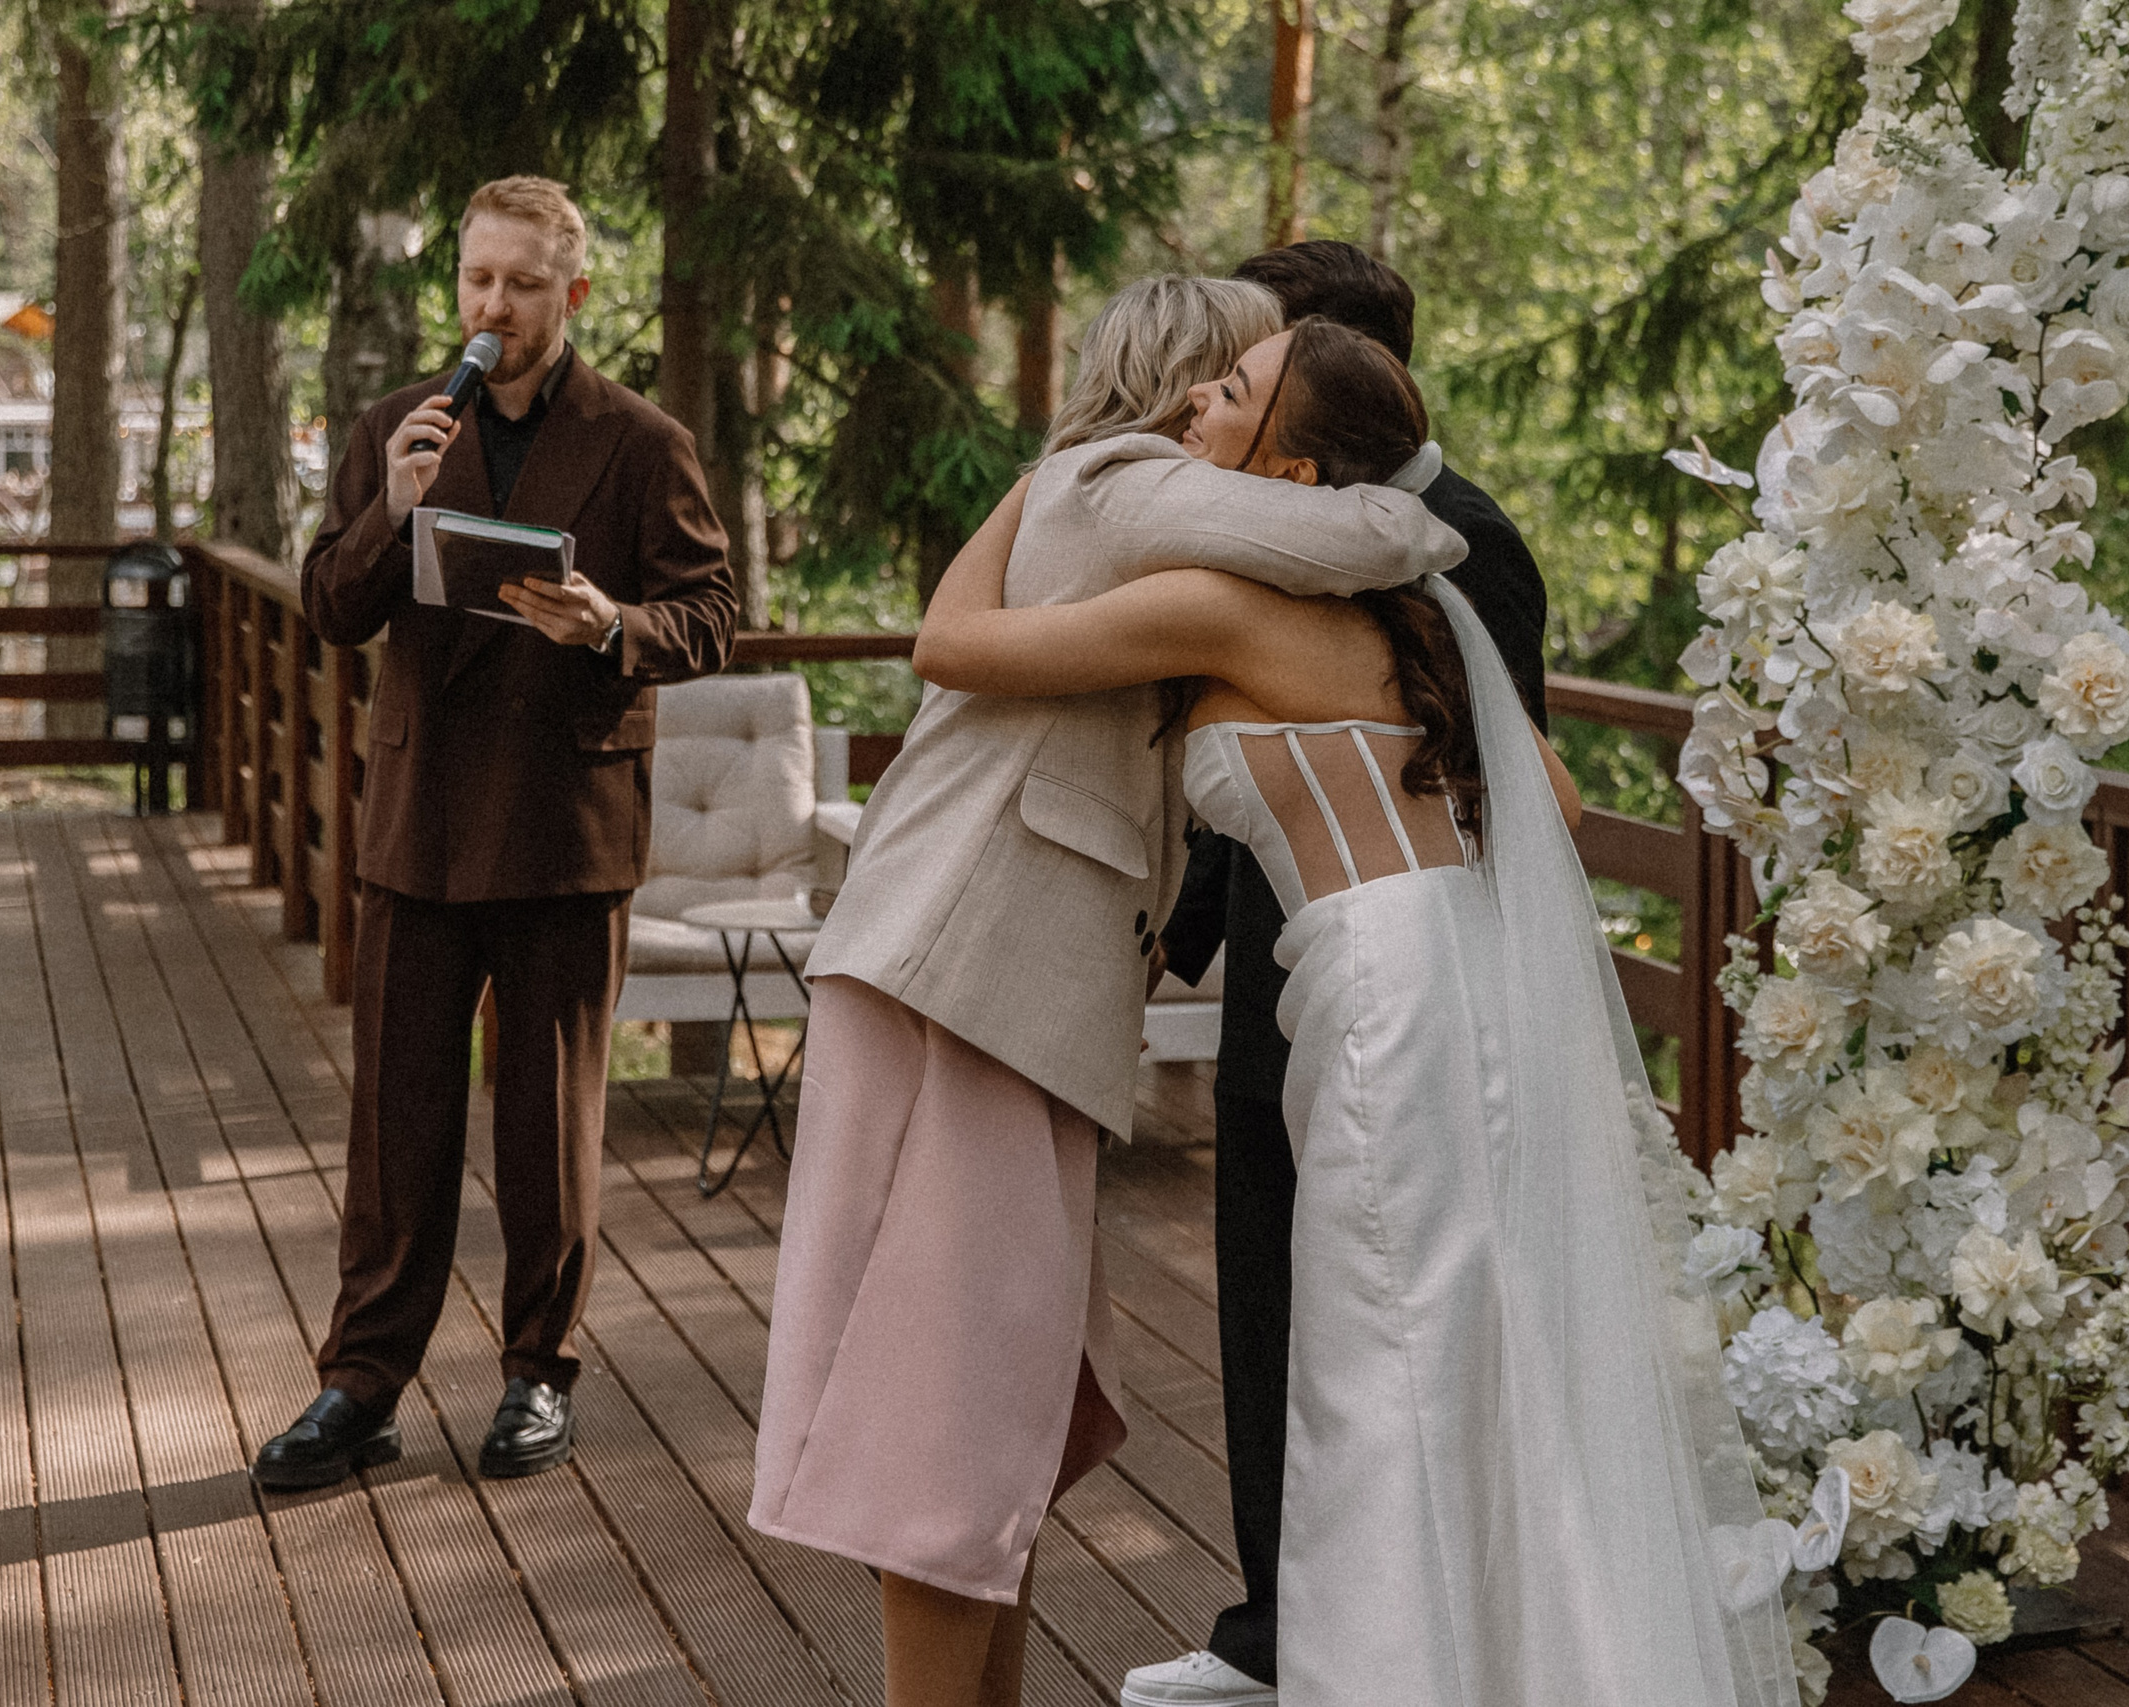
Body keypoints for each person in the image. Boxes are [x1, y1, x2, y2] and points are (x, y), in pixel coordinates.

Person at [918, 319, 1799, 1707]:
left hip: (1386, 997)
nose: (1197, 400)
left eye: (1233, 392)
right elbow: (1552, 799)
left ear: (1298, 468)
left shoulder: (1225, 610)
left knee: (1380, 1366)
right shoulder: (1383, 607)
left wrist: (1036, 483)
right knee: (1447, 1353)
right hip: (1422, 974)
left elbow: (955, 645)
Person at [746, 277, 1466, 1707]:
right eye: (1235, 373)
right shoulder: (1127, 484)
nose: (1229, 401)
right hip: (968, 976)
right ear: (1186, 378)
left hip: (993, 983)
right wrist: (1410, 498)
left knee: (990, 1403)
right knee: (948, 1411)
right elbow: (1390, 530)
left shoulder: (1073, 492)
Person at [255, 175, 738, 1490]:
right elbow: (329, 609)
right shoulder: (391, 428)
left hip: (564, 826)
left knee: (548, 1124)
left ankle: (539, 1374)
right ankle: (360, 1388)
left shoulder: (643, 442)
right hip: (418, 824)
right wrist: (390, 511)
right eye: (477, 280)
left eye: (524, 283)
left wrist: (613, 628)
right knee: (395, 1130)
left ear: (574, 295)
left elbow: (710, 613)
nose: (494, 306)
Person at [1134, 238, 1551, 1706]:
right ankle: (1277, 1627)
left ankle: (1389, 1636)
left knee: (1389, 1319)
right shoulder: (1273, 527)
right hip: (1286, 963)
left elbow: (1480, 775)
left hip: (1400, 983)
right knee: (1272, 1307)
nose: (1215, 389)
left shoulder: (1465, 540)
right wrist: (1175, 933)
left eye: (1252, 359)